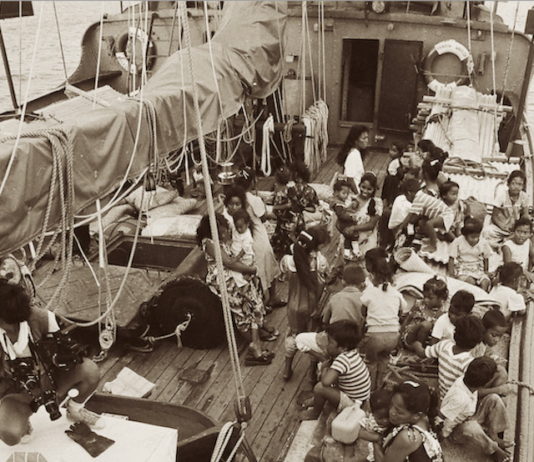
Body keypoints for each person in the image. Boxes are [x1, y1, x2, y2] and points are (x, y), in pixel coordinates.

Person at [0, 282, 104, 446]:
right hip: (17, 391)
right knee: (10, 435)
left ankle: (75, 410)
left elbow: (65, 354)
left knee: (89, 370)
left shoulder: (42, 319)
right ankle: (23, 419)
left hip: (52, 381)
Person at [197, 213, 272, 365]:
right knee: (241, 312)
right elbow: (228, 262)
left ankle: (256, 341)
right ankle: (255, 347)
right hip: (225, 281)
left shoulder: (224, 238)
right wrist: (251, 270)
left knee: (255, 304)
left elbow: (236, 253)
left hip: (237, 276)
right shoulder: (209, 243)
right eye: (219, 230)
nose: (223, 232)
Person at [222, 186, 284, 310]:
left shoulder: (244, 213)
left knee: (266, 265)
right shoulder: (226, 219)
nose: (234, 208)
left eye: (237, 204)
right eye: (231, 204)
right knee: (254, 277)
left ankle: (269, 299)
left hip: (250, 246)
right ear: (226, 204)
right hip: (240, 252)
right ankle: (260, 305)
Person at [280, 227, 330, 381]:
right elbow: (326, 275)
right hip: (314, 306)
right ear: (315, 248)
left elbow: (284, 276)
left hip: (294, 306)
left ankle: (287, 369)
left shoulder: (288, 261)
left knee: (293, 334)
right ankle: (312, 373)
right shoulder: (320, 262)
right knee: (314, 337)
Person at [439, 357, 511, 462]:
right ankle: (493, 448)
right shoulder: (460, 399)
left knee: (494, 398)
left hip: (468, 415)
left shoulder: (467, 381)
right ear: (484, 383)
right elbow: (446, 421)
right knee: (472, 427)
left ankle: (493, 436)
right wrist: (443, 437)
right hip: (456, 430)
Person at [299, 320, 371, 420]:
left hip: (354, 405)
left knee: (319, 388)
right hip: (360, 398)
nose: (326, 344)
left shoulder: (343, 359)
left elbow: (325, 382)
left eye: (329, 342)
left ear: (342, 348)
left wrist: (324, 367)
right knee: (332, 380)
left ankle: (315, 412)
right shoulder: (352, 353)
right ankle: (316, 400)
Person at [361, 248, 407, 390]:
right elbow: (401, 312)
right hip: (393, 335)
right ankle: (379, 383)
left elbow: (363, 311)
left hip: (375, 336)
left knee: (371, 361)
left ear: (373, 275)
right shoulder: (396, 293)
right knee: (384, 358)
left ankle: (370, 387)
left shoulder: (370, 291)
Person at [413, 315, 485, 400]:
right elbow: (473, 390)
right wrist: (498, 390)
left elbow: (423, 353)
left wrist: (417, 344)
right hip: (456, 402)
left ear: (454, 334)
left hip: (442, 396)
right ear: (477, 343)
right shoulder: (469, 363)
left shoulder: (444, 345)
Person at [372, 381, 443, 462]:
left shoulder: (408, 437)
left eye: (399, 412)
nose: (391, 412)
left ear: (416, 415)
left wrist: (375, 442)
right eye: (391, 404)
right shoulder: (426, 417)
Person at [397, 179, 455, 253]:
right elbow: (414, 218)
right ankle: (438, 238)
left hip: (446, 214)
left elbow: (410, 216)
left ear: (409, 193)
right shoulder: (421, 196)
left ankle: (433, 246)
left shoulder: (418, 198)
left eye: (406, 196)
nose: (407, 199)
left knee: (429, 224)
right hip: (441, 215)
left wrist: (400, 228)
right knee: (422, 222)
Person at [484, 169, 530, 249]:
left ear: (523, 186)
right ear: (508, 184)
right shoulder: (502, 196)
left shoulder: (524, 197)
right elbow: (494, 216)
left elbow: (525, 215)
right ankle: (503, 243)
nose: (516, 187)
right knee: (487, 231)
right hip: (501, 226)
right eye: (514, 183)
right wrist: (503, 227)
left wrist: (519, 228)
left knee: (527, 234)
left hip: (515, 227)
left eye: (520, 184)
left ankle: (506, 241)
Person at [400, 276, 449, 350]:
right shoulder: (419, 304)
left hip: (429, 341)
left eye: (430, 298)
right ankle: (420, 350)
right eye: (424, 296)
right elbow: (407, 319)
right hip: (411, 338)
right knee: (426, 325)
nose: (426, 300)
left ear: (441, 298)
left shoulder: (443, 311)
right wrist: (400, 336)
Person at [448, 218, 492, 292]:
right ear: (465, 235)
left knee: (485, 281)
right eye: (472, 237)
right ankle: (473, 294)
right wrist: (451, 274)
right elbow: (451, 258)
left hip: (477, 268)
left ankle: (482, 294)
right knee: (470, 282)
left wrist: (486, 270)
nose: (475, 239)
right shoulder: (458, 241)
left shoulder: (483, 243)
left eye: (477, 236)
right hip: (463, 268)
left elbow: (486, 257)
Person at [322, 263, 366, 332]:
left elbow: (325, 322)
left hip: (336, 337)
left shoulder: (334, 298)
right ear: (363, 284)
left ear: (343, 282)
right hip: (356, 337)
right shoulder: (365, 299)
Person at [287, 161, 322, 234]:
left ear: (296, 175)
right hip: (309, 215)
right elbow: (316, 205)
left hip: (297, 218)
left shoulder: (291, 190)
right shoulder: (311, 190)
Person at [358, 388, 392, 462]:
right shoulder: (372, 421)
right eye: (380, 418)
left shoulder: (393, 422)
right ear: (372, 413)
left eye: (387, 416)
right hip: (370, 448)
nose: (385, 421)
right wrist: (376, 437)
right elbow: (361, 433)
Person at [336, 125, 369, 194]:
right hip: (353, 194)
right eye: (364, 138)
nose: (367, 141)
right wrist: (358, 196)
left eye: (367, 138)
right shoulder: (353, 155)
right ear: (355, 140)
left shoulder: (356, 153)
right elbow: (350, 179)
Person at [269, 167, 294, 259]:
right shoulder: (291, 190)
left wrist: (273, 208)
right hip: (291, 220)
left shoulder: (279, 193)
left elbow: (277, 211)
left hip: (283, 222)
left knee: (280, 243)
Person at [502, 217, 534, 282]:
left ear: (530, 234)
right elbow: (509, 267)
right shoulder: (508, 246)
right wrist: (525, 272)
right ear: (514, 231)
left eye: (525, 233)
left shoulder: (528, 242)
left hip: (524, 274)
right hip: (511, 275)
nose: (521, 235)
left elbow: (532, 256)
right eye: (519, 232)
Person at [381, 141, 407, 208]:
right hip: (389, 180)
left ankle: (389, 205)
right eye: (391, 150)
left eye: (394, 151)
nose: (391, 152)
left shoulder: (396, 162)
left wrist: (401, 177)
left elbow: (400, 173)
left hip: (392, 181)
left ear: (399, 153)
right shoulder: (393, 160)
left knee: (390, 195)